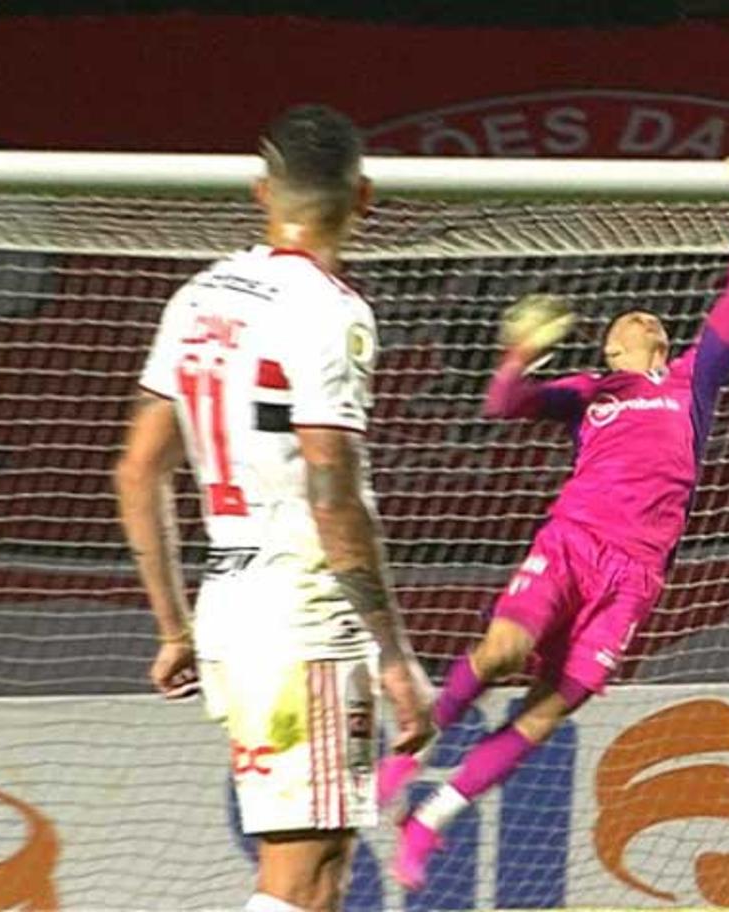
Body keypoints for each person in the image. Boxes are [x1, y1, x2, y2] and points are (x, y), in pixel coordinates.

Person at [384, 139, 729, 890]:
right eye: (617, 323)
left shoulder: (688, 386)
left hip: (634, 580)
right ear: (608, 348)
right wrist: (515, 357)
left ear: (659, 344)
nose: (631, 321)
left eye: (642, 320)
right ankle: (407, 752)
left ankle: (431, 817)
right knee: (505, 650)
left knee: (545, 713)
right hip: (575, 544)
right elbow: (502, 405)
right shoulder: (589, 392)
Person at [114, 104, 433, 912]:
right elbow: (331, 486)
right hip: (302, 609)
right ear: (363, 198)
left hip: (231, 605)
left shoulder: (198, 297)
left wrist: (173, 626)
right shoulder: (331, 311)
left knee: (320, 868)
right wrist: (393, 653)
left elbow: (137, 471)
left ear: (262, 192)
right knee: (302, 873)